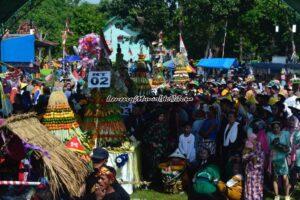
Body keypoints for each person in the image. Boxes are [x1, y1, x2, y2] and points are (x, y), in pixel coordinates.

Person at [267, 121, 291, 200]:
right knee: (275, 178)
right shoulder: (270, 135)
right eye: (274, 127)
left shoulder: (285, 134)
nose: (276, 129)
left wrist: (286, 149)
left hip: (283, 159)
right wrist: (273, 146)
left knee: (285, 177)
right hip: (274, 159)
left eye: (277, 127)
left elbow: (289, 147)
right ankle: (276, 195)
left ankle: (287, 195)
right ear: (272, 128)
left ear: (280, 127)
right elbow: (269, 147)